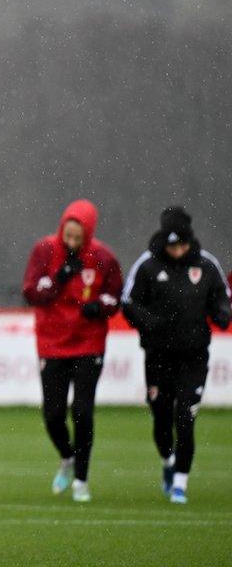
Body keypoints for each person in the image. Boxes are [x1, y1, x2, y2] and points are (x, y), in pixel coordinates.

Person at [121, 206, 230, 504]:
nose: (178, 250)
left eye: (182, 244)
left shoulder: (207, 265)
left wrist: (221, 313)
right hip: (158, 355)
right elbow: (129, 302)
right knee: (161, 418)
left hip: (194, 356)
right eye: (172, 245)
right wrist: (149, 321)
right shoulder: (147, 265)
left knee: (185, 417)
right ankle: (168, 462)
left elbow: (221, 297)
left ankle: (181, 482)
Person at [21, 199, 123, 503]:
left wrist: (100, 307)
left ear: (89, 233)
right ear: (62, 229)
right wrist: (60, 277)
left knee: (82, 411)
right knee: (53, 415)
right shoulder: (44, 251)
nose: (73, 242)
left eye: (79, 237)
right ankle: (67, 456)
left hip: (88, 343)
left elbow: (115, 296)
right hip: (52, 342)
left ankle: (81, 478)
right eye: (69, 235)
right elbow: (31, 293)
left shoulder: (104, 257)